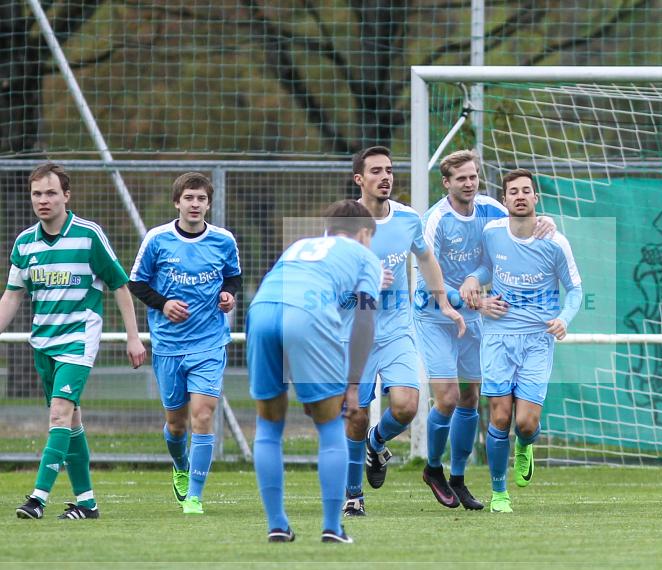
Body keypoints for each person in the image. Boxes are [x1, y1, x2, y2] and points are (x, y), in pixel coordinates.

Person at [415, 150, 555, 510]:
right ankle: (433, 469)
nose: (469, 183)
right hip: (435, 315)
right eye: (461, 178)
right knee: (445, 399)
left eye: (474, 176)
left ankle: (458, 478)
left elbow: (518, 233)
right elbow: (426, 278)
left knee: (468, 398)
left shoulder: (492, 209)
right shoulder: (435, 219)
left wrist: (547, 223)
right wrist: (469, 301)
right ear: (446, 183)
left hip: (475, 319)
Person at [8, 163, 146, 520]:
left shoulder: (88, 235)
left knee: (58, 414)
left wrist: (133, 338)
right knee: (70, 421)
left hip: (78, 341)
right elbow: (12, 296)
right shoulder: (25, 243)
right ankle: (87, 503)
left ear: (66, 196)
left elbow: (119, 285)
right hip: (43, 343)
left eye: (51, 193)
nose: (43, 200)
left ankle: (38, 498)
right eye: (37, 193)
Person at [342, 146, 466, 518]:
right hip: (355, 334)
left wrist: (443, 301)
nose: (385, 177)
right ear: (359, 179)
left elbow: (425, 257)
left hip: (397, 330)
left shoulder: (408, 219)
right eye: (376, 171)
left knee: (407, 406)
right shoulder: (344, 223)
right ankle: (352, 494)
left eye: (389, 170)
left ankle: (376, 444)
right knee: (356, 415)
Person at [248, 200, 382, 544]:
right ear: (364, 233)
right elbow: (365, 319)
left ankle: (277, 524)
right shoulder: (366, 257)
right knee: (329, 423)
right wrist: (353, 384)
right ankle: (332, 527)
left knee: (268, 425)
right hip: (308, 314)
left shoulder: (299, 245)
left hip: (261, 311)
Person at [460, 168, 582, 513]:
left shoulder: (555, 241)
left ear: (535, 197)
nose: (520, 196)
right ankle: (500, 493)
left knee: (525, 422)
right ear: (505, 199)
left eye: (526, 190)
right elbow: (486, 267)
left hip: (537, 339)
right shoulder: (492, 232)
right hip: (498, 335)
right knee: (499, 417)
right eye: (513, 191)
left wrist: (563, 318)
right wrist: (472, 278)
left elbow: (575, 290)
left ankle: (526, 445)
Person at [129, 173, 242, 515]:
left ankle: (195, 496)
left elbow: (233, 277)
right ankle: (180, 465)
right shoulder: (157, 239)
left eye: (201, 199)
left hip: (209, 342)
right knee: (176, 424)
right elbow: (136, 283)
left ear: (209, 204)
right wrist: (163, 304)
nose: (195, 204)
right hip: (168, 345)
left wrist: (228, 296)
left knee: (203, 416)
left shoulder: (223, 240)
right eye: (189, 198)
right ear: (177, 202)